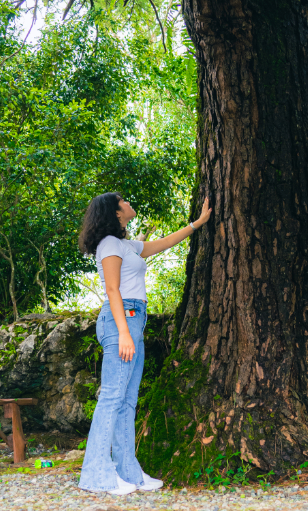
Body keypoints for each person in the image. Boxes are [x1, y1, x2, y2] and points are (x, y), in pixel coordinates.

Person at [77, 192, 212, 495]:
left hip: (134, 320)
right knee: (113, 397)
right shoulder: (110, 244)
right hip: (120, 320)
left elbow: (162, 244)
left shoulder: (126, 245)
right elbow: (112, 289)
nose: (128, 203)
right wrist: (124, 332)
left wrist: (198, 223)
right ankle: (96, 474)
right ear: (115, 212)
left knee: (127, 401)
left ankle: (129, 473)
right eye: (123, 200)